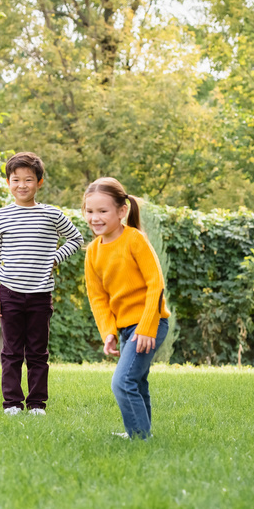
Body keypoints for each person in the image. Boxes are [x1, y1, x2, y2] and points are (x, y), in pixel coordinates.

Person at [0, 152, 84, 415]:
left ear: (39, 182)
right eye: (15, 180)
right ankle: (12, 403)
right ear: (8, 182)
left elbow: (76, 239)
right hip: (9, 293)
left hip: (40, 294)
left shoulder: (51, 215)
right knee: (11, 352)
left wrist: (55, 257)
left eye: (28, 180)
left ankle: (37, 403)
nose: (21, 185)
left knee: (38, 352)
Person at [83, 177, 170, 439]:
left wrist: (146, 328)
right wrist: (108, 332)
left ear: (122, 211)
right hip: (124, 328)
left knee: (123, 382)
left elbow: (156, 284)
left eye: (102, 211)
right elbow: (98, 298)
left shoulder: (135, 240)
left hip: (150, 322)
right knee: (137, 381)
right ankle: (141, 433)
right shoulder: (92, 252)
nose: (95, 218)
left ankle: (140, 438)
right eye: (89, 211)